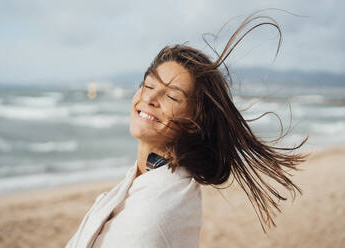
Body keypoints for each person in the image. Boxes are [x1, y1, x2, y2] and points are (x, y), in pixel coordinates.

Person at [65, 10, 307, 248]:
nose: (150, 98)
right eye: (149, 85)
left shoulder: (153, 215)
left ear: (195, 123)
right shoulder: (152, 179)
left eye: (172, 97)